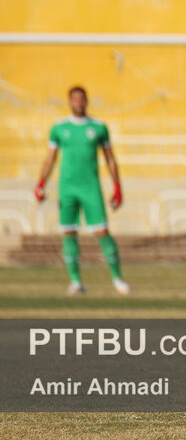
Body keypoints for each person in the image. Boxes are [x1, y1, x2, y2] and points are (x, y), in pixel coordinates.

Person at [34, 86, 129, 295]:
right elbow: (50, 158)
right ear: (69, 102)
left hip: (90, 187)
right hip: (67, 188)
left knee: (101, 231)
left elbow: (110, 158)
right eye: (74, 99)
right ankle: (76, 281)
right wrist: (41, 183)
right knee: (68, 232)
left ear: (86, 101)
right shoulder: (59, 128)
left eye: (82, 99)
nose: (78, 102)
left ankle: (117, 277)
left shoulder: (98, 127)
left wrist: (117, 187)